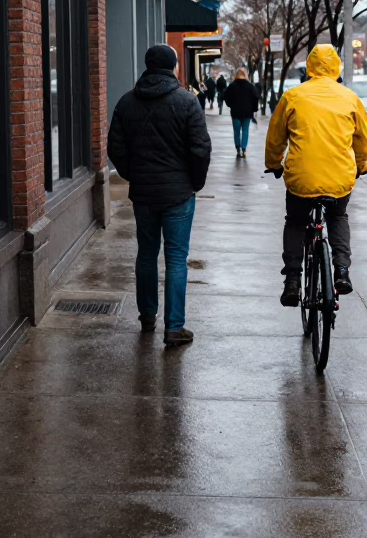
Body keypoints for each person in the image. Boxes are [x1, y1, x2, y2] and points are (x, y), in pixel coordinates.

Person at [107, 44, 211, 347]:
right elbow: (200, 148)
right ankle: (174, 327)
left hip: (144, 194)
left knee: (147, 254)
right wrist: (195, 182)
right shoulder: (187, 101)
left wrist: (133, 174)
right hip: (179, 194)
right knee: (177, 258)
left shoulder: (127, 102)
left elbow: (116, 148)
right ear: (173, 67)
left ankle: (147, 316)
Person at [264, 44, 367, 306]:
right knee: (338, 216)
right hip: (339, 177)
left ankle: (292, 280)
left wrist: (274, 164)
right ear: (336, 67)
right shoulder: (349, 98)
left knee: (296, 222)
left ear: (309, 66)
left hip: (301, 177)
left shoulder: (293, 96)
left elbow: (275, 138)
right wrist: (361, 165)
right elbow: (362, 138)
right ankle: (342, 271)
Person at [224, 67, 260, 157]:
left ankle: (238, 148)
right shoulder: (250, 86)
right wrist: (254, 108)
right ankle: (244, 149)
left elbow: (225, 96)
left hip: (235, 112)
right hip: (247, 113)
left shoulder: (232, 86)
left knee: (236, 131)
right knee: (245, 130)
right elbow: (256, 97)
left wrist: (230, 105)